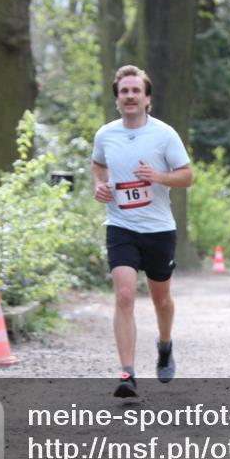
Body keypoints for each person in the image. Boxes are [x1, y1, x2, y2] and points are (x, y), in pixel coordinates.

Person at [92, 65, 193, 398]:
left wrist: (157, 177)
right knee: (124, 295)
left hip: (158, 229)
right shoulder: (105, 135)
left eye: (136, 91)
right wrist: (99, 185)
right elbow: (98, 164)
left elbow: (187, 175)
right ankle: (127, 373)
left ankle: (165, 344)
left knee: (161, 299)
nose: (130, 96)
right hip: (120, 225)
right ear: (117, 99)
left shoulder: (164, 134)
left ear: (147, 98)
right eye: (124, 91)